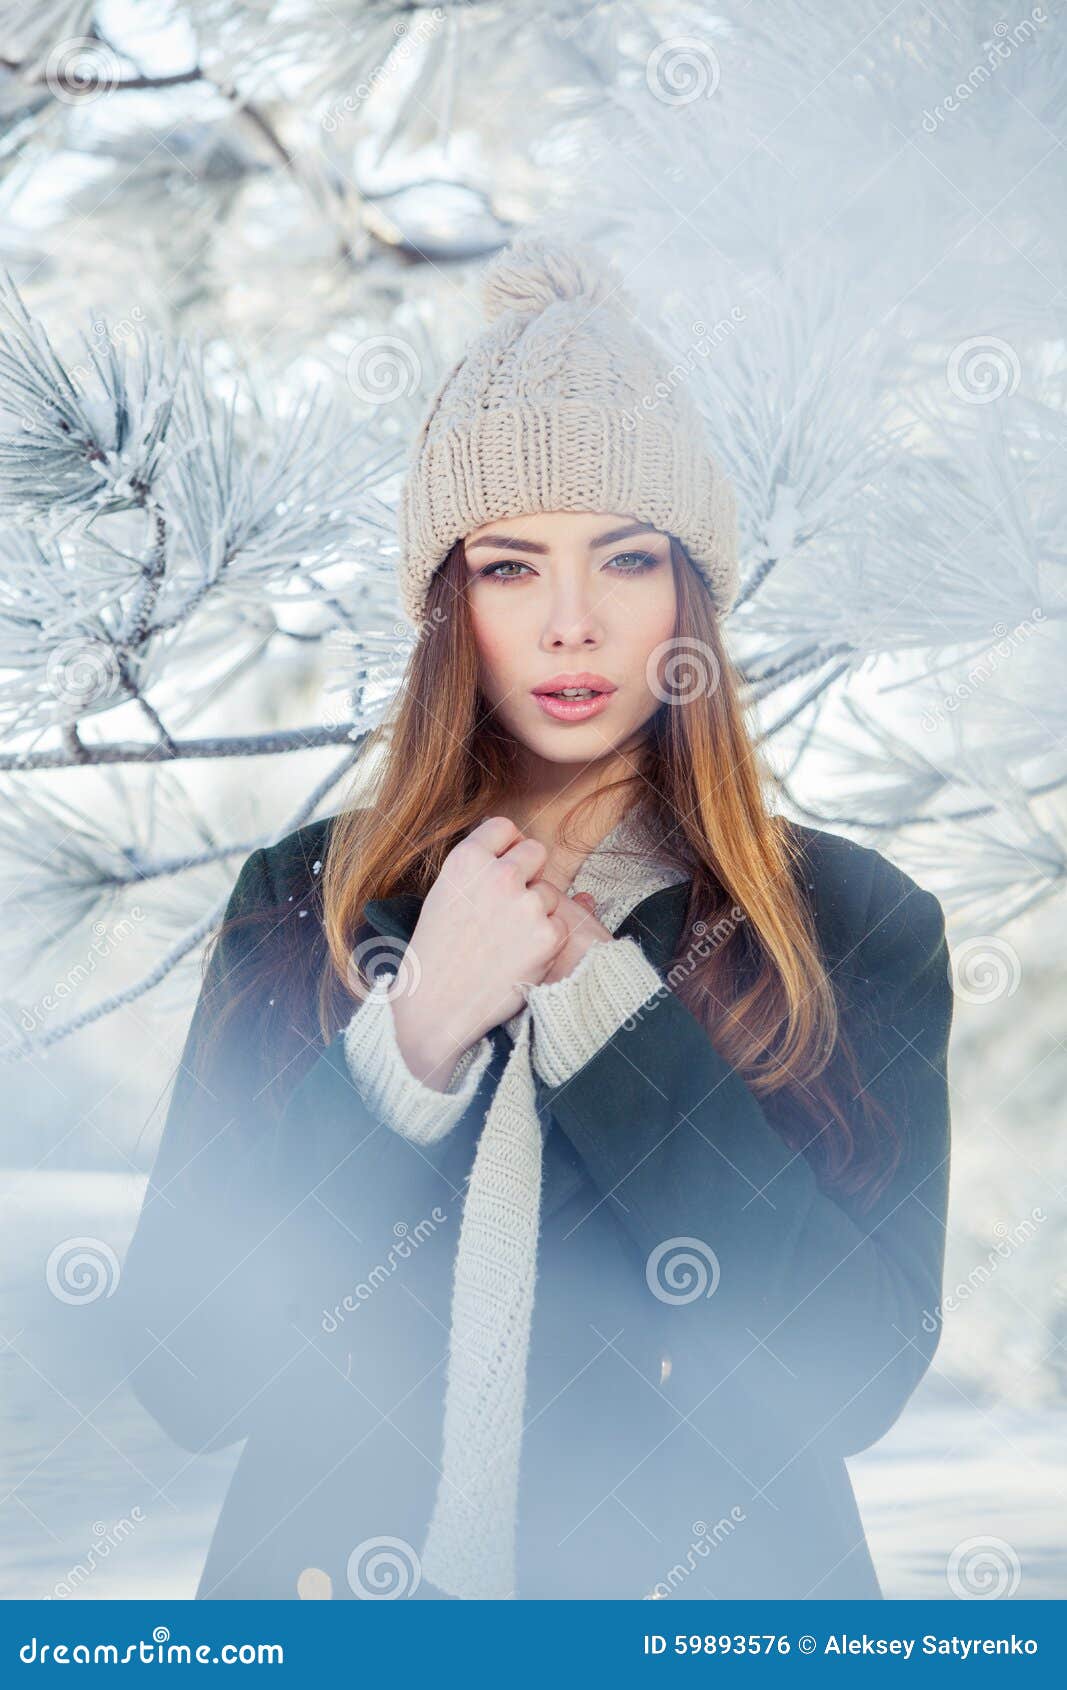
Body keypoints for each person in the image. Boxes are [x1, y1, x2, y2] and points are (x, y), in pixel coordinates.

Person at [115, 235, 953, 1602]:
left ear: (689, 589)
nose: (572, 623)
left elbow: (850, 1370)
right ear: (450, 602)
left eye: (624, 558)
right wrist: (416, 1033)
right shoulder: (303, 904)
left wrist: (610, 1013)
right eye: (510, 566)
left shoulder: (851, 923)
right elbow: (190, 1367)